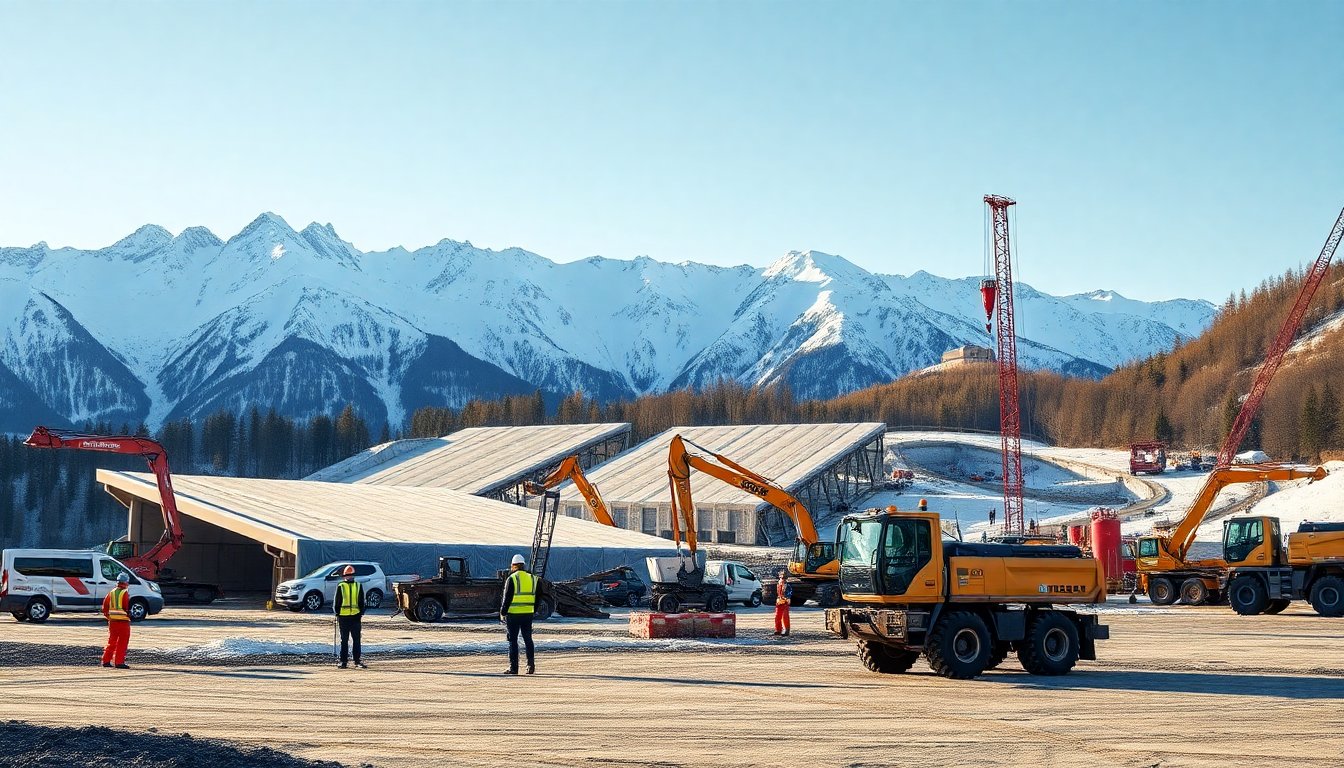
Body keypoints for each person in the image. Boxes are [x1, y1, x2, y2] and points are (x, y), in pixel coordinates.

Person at [500, 554, 536, 675]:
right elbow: (538, 596)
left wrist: (503, 612)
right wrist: (533, 610)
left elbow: (507, 598)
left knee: (513, 641)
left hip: (513, 615)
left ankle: (513, 668)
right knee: (528, 639)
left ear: (513, 565)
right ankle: (530, 666)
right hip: (528, 614)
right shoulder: (532, 578)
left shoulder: (512, 578)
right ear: (523, 565)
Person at [333, 565, 366, 669]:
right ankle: (345, 661)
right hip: (345, 617)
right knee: (345, 640)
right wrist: (337, 613)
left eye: (350, 575)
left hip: (353, 616)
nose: (349, 577)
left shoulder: (357, 585)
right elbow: (337, 601)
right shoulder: (341, 586)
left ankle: (354, 661)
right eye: (348, 575)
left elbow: (361, 601)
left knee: (355, 640)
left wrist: (361, 613)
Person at [101, 572, 133, 669]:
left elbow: (105, 608)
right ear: (126, 583)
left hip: (113, 622)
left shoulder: (111, 592)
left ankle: (106, 660)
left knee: (112, 641)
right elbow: (126, 607)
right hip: (123, 622)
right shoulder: (125, 593)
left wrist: (109, 617)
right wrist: (129, 615)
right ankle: (119, 662)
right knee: (122, 642)